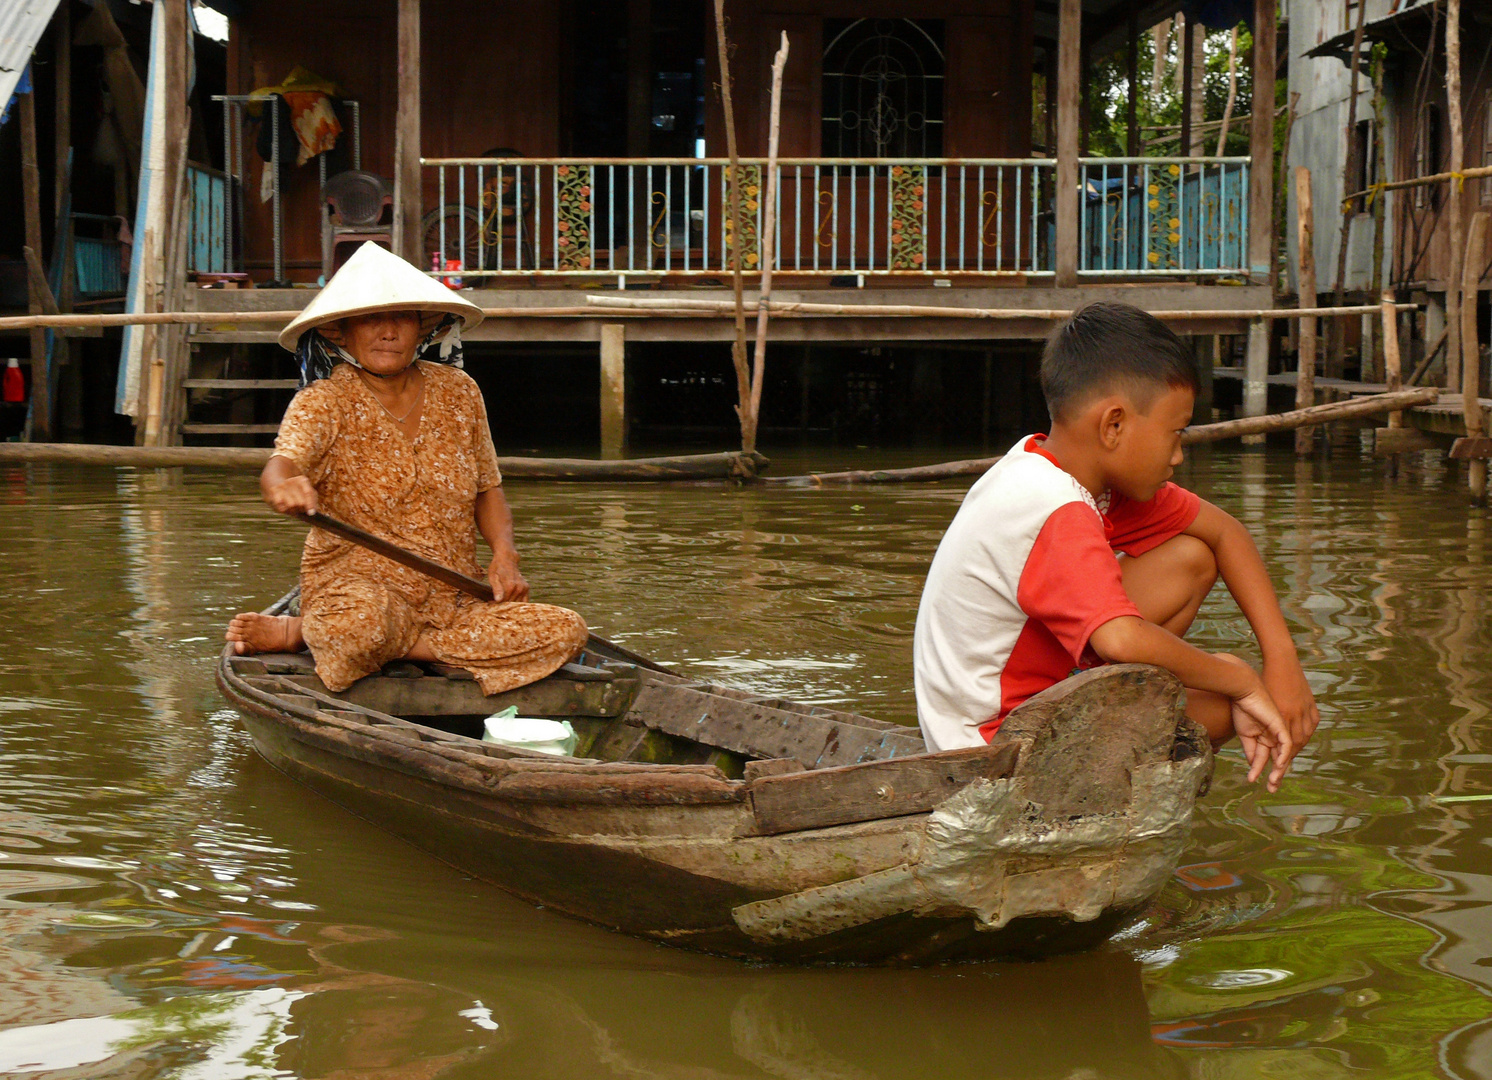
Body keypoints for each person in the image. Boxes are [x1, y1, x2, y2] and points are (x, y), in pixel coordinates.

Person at [912, 302, 1318, 792]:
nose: (1178, 455)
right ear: (1114, 426)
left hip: (1015, 707)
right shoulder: (1052, 505)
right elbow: (1120, 639)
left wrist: (1282, 659)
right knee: (1222, 705)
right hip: (993, 750)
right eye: (1174, 433)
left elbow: (1225, 532)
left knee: (1192, 558)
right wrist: (1241, 678)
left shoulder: (1057, 466)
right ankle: (1106, 776)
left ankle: (1125, 724)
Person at [226, 241, 588, 695]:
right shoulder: (323, 401)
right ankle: (307, 630)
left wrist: (504, 555)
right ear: (342, 332)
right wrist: (284, 487)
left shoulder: (459, 391)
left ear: (421, 328)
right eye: (372, 319)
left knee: (567, 630)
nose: (388, 332)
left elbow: (487, 488)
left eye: (401, 318)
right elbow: (280, 466)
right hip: (357, 593)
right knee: (358, 628)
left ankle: (312, 634)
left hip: (453, 594)